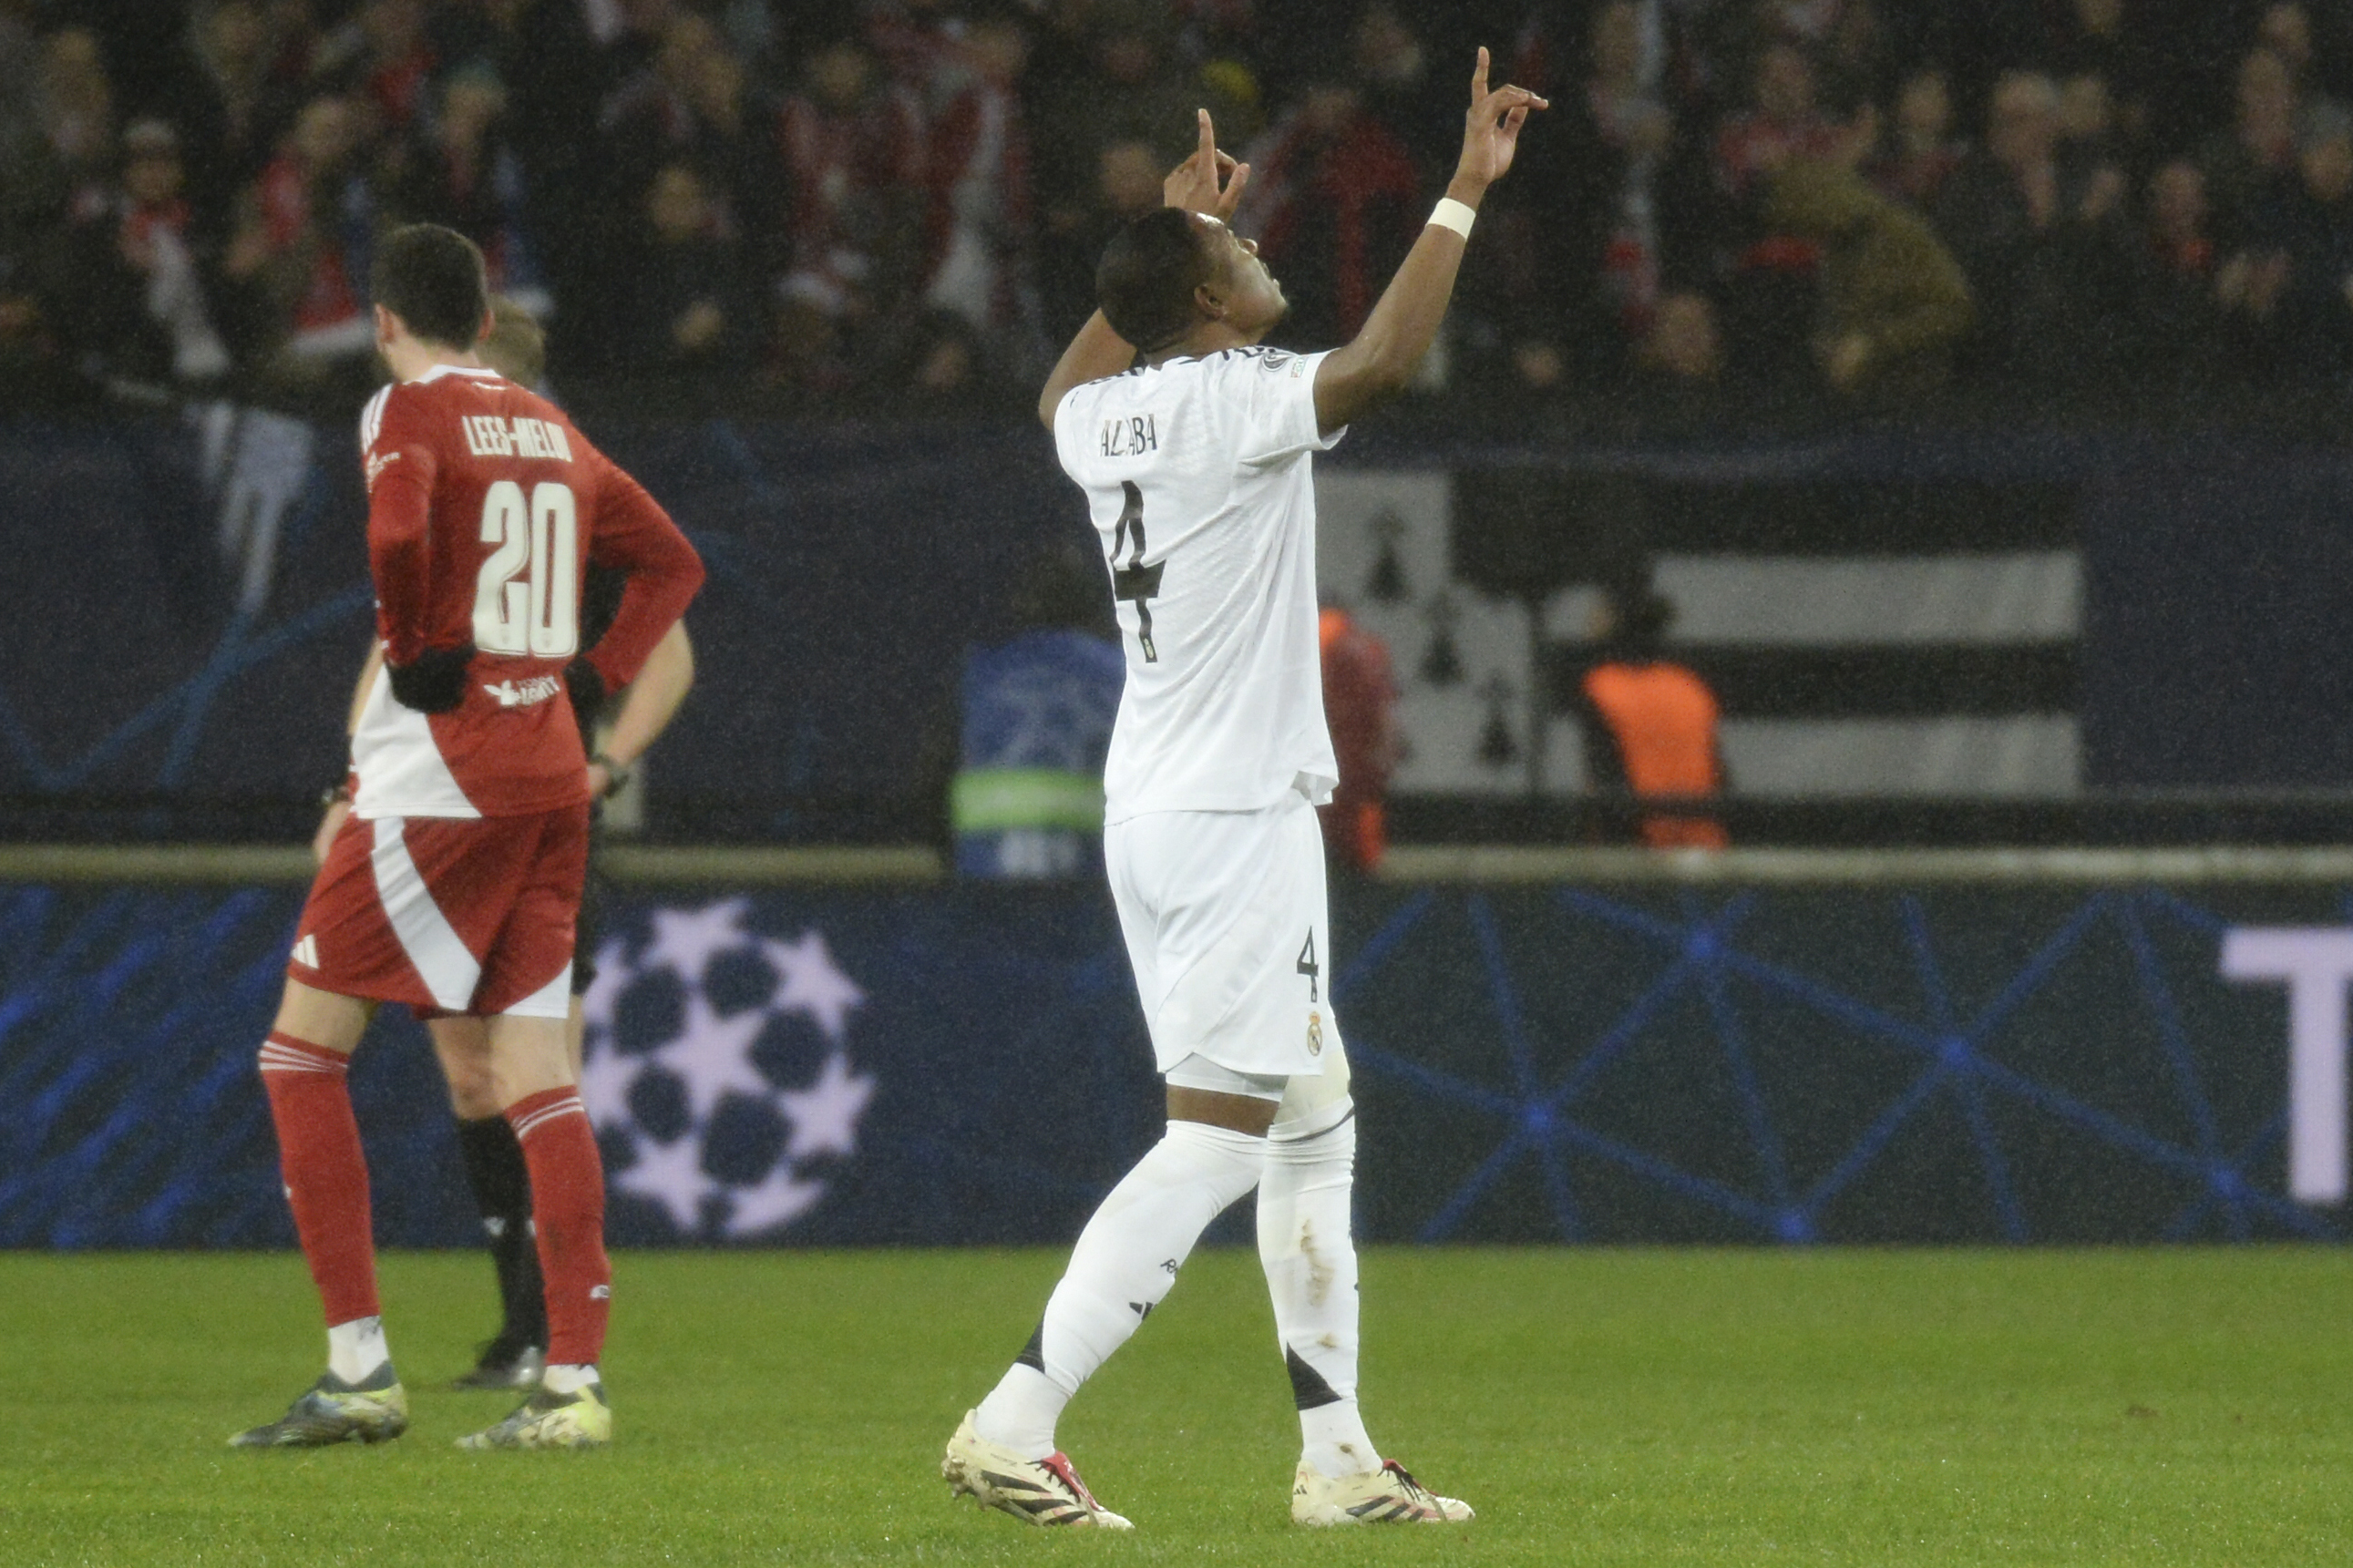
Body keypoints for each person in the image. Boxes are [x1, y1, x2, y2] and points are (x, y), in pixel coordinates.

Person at [940, 51, 1544, 1530]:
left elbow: (1063, 384)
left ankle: (1335, 1457)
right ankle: (1016, 1416)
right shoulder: (1231, 397)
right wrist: (1462, 190)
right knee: (1217, 1132)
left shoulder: (1110, 416)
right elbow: (1380, 366)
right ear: (1207, 307)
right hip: (1230, 815)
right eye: (1237, 247)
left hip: (1157, 797)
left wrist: (1158, 234)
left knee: (1313, 1112)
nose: (1260, 249)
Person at [231, 223, 704, 1451]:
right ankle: (571, 1385)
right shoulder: (551, 428)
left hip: (440, 777)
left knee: (300, 1058)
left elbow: (395, 528)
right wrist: (588, 679)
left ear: (387, 319)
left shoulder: (406, 412)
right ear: (487, 314)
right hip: (548, 774)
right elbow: (671, 561)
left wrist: (414, 642)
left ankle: (357, 1371)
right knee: (538, 1078)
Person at [1576, 586, 1727, 850]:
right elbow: (1717, 769)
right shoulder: (1689, 686)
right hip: (1703, 841)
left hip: (1637, 845)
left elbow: (1603, 776)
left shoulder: (1603, 686)